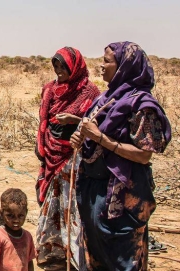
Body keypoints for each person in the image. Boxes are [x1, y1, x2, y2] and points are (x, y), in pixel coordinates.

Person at [70, 42, 172, 270]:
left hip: (123, 196)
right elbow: (88, 133)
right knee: (96, 251)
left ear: (125, 66)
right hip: (94, 191)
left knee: (122, 257)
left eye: (107, 61)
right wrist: (79, 139)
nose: (101, 65)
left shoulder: (141, 105)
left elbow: (144, 156)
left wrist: (101, 139)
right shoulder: (105, 99)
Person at [34, 47, 100, 270]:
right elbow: (43, 121)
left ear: (75, 67)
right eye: (56, 66)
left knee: (72, 206)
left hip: (75, 155)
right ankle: (53, 251)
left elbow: (97, 123)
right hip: (52, 153)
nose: (59, 70)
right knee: (52, 205)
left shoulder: (90, 92)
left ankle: (74, 253)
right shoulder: (50, 90)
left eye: (64, 66)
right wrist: (42, 151)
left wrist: (74, 119)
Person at [0, 188, 36, 271]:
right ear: (1, 213)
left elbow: (29, 261)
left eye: (20, 216)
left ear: (26, 213)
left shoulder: (27, 236)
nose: (16, 220)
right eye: (10, 216)